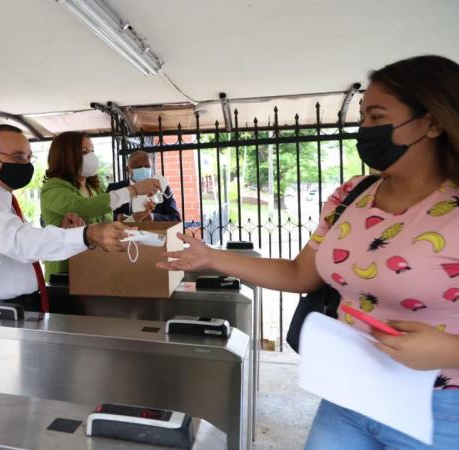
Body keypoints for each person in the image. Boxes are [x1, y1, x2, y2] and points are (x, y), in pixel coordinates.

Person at [158, 55, 459, 449]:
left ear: (433, 121)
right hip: (350, 393)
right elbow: (301, 273)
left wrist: (449, 350)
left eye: (376, 116)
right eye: (363, 117)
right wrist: (212, 257)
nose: (363, 129)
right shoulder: (352, 195)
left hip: (440, 408)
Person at [0, 125, 129, 314]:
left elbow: (23, 241)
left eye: (29, 158)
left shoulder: (1, 200)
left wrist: (68, 233)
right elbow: (23, 243)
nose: (26, 165)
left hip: (14, 307)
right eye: (18, 157)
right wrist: (87, 235)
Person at [39, 131, 161, 279]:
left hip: (97, 269)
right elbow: (82, 207)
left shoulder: (95, 189)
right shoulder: (53, 188)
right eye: (84, 152)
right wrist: (133, 190)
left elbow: (105, 230)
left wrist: (136, 218)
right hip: (67, 276)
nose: (91, 156)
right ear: (66, 157)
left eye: (92, 151)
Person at [107, 150, 181, 222]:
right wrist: (117, 218)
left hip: (154, 232)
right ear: (127, 169)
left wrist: (153, 217)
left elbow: (175, 218)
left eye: (147, 166)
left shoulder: (162, 188)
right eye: (138, 167)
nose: (143, 169)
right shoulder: (114, 189)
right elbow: (101, 216)